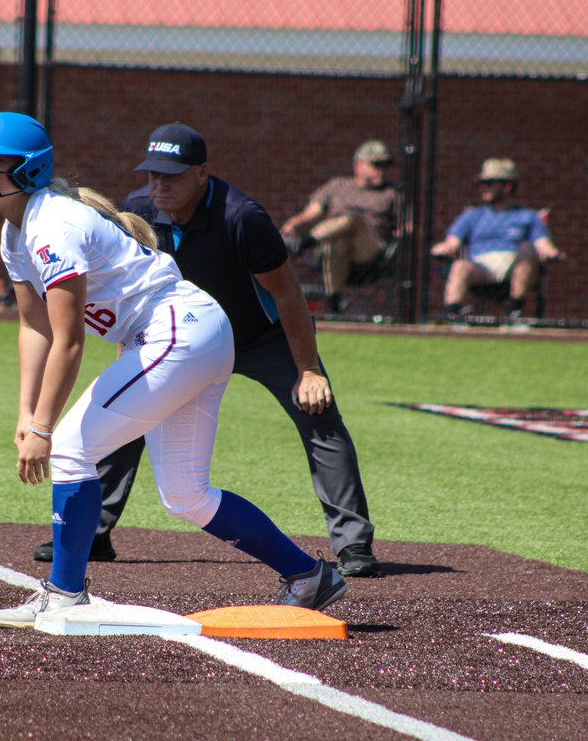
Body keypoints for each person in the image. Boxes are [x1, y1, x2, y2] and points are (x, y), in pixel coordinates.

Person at [0, 112, 347, 629]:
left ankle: (65, 594)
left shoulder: (53, 224)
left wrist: (44, 427)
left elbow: (69, 341)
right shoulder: (15, 232)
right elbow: (35, 328)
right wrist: (25, 413)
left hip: (178, 331)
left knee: (68, 447)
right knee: (185, 495)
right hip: (186, 332)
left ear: (30, 168)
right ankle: (309, 575)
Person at [32, 122, 382, 579]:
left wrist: (308, 369)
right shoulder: (139, 208)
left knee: (319, 416)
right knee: (122, 411)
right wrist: (129, 350)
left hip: (260, 338)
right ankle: (93, 531)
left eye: (173, 175)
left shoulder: (241, 216)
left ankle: (353, 543)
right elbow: (128, 291)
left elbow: (288, 293)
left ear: (202, 173)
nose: (160, 186)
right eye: (153, 174)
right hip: (174, 337)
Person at [430, 157, 563, 320]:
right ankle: (452, 315)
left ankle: (515, 310)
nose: (483, 188)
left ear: (507, 186)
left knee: (528, 248)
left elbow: (543, 244)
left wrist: (552, 253)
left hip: (514, 264)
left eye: (489, 184)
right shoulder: (471, 216)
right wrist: (443, 248)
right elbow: (452, 243)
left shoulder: (528, 217)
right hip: (481, 267)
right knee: (460, 266)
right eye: (482, 184)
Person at [278, 139, 398, 314]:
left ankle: (303, 243)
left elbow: (407, 225)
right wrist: (291, 226)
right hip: (331, 248)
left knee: (351, 220)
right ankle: (334, 305)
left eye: (385, 165)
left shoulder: (392, 192)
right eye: (376, 164)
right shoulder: (337, 185)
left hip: (370, 252)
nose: (382, 170)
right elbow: (310, 214)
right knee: (337, 242)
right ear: (358, 165)